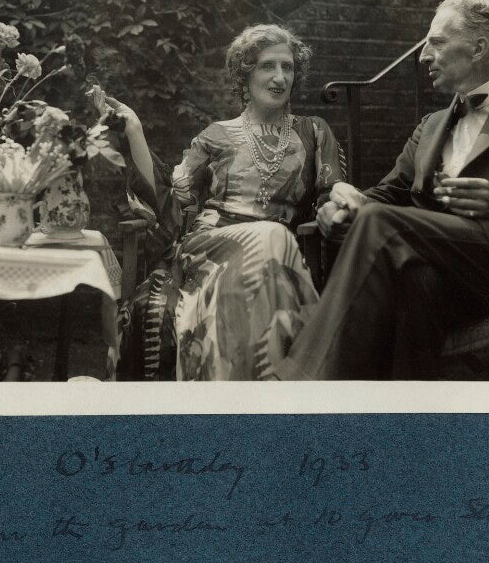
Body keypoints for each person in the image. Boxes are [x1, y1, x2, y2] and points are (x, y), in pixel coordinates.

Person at [273, 0, 489, 380]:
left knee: (381, 225)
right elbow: (387, 196)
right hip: (437, 272)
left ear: (479, 47)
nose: (423, 56)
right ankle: (400, 417)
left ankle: (299, 380)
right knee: (408, 282)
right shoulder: (431, 125)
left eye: (436, 42)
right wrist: (345, 201)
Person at [108, 24, 345, 381]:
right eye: (268, 66)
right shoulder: (216, 135)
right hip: (209, 246)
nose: (280, 77)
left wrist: (335, 207)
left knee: (272, 237)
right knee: (270, 235)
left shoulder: (313, 131)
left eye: (288, 67)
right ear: (245, 74)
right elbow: (172, 204)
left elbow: (331, 192)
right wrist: (135, 131)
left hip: (276, 253)